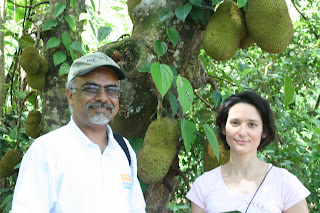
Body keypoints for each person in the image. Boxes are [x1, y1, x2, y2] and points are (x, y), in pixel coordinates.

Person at [12, 52, 146, 212]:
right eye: (91, 88)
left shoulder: (124, 150)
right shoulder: (45, 152)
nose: (103, 97)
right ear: (70, 96)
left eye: (111, 90)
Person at [186, 91, 310, 213]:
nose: (242, 132)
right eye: (235, 123)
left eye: (252, 124)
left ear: (264, 132)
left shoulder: (285, 183)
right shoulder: (203, 185)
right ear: (224, 128)